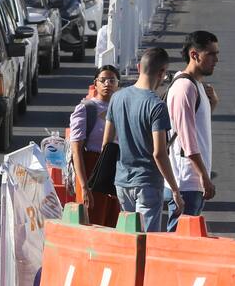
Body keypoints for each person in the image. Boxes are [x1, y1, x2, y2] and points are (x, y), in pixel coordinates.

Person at [101, 47, 182, 233]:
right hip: (147, 182)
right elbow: (159, 153)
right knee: (146, 239)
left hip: (122, 181)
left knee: (128, 237)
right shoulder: (157, 106)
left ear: (139, 67)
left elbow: (106, 143)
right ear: (162, 72)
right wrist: (175, 190)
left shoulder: (117, 98)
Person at [164, 31, 220, 231]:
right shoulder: (185, 88)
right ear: (194, 55)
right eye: (211, 54)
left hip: (190, 180)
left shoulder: (196, 86)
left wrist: (211, 104)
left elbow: (195, 126)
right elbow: (187, 140)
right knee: (178, 240)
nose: (216, 60)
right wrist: (204, 176)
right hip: (186, 180)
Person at [69, 64, 121, 227]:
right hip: (93, 170)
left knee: (114, 221)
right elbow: (76, 151)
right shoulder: (86, 109)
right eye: (103, 80)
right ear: (95, 84)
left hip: (117, 170)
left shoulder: (122, 107)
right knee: (93, 221)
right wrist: (84, 186)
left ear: (118, 84)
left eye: (112, 80)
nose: (107, 84)